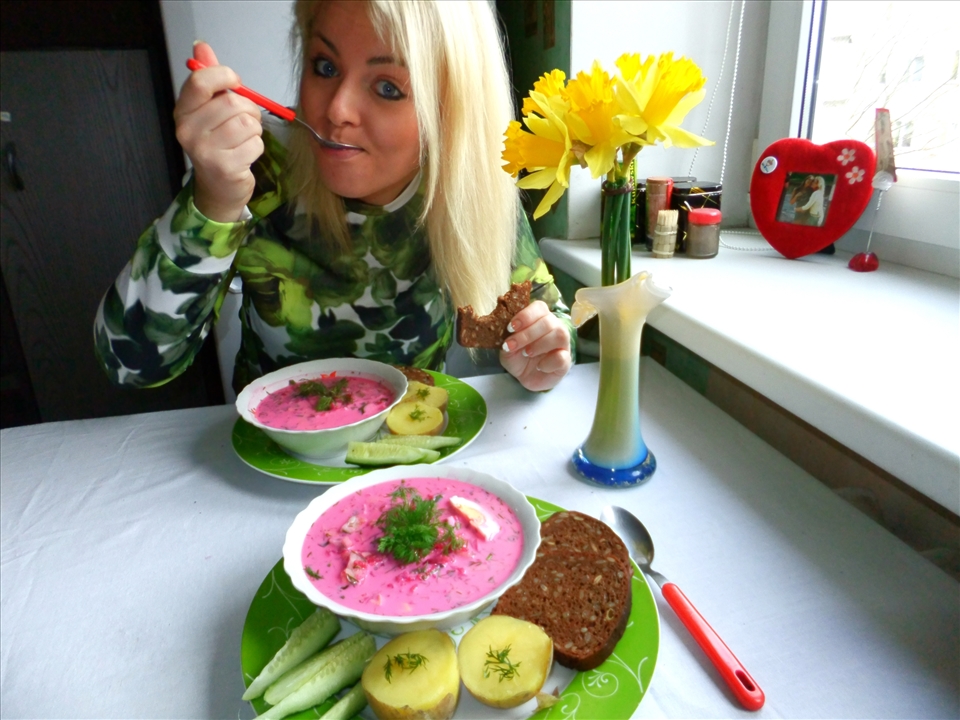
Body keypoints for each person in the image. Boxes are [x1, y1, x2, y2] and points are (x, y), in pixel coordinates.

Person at [94, 0, 573, 395]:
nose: (337, 109)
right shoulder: (256, 169)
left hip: (411, 465)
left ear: (451, 109)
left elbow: (548, 320)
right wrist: (212, 202)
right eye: (325, 66)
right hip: (271, 464)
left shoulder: (469, 190)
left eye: (388, 88)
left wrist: (543, 352)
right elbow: (129, 362)